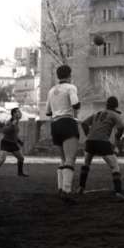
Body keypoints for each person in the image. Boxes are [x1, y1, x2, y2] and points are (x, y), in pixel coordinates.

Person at [78, 96, 124, 201]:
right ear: (116, 105)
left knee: (86, 164)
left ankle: (81, 188)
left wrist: (88, 135)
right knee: (115, 166)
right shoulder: (114, 114)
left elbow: (84, 123)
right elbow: (121, 127)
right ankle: (118, 192)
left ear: (106, 105)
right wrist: (117, 137)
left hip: (90, 142)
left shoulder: (97, 113)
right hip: (102, 142)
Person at [45, 64, 81, 204]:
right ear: (69, 75)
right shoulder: (70, 87)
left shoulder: (51, 90)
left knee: (63, 159)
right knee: (70, 159)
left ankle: (60, 188)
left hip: (55, 125)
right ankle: (66, 191)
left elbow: (48, 112)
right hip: (67, 122)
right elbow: (76, 104)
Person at [0, 108, 28, 177]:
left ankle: (20, 173)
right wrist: (12, 125)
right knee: (2, 159)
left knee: (21, 158)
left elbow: (14, 135)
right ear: (14, 114)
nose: (20, 113)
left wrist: (19, 141)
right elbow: (4, 131)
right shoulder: (9, 122)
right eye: (18, 112)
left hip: (13, 144)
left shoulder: (17, 122)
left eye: (20, 112)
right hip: (6, 143)